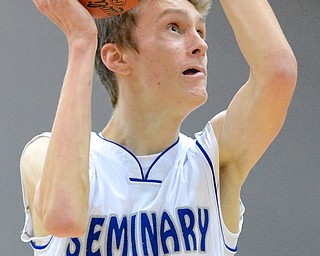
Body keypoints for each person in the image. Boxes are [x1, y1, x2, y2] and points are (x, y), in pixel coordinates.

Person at [20, 0, 297, 255]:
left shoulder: (214, 160)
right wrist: (81, 40)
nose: (200, 44)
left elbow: (277, 74)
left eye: (200, 30)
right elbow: (65, 218)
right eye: (174, 27)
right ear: (117, 58)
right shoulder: (43, 154)